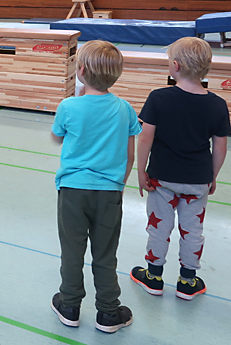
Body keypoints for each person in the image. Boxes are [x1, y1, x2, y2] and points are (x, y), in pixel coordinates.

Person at [50, 40, 141, 334]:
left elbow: (57, 137)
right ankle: (109, 312)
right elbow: (129, 155)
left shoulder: (68, 106)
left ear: (81, 71)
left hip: (73, 191)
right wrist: (119, 184)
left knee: (72, 250)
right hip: (109, 191)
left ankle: (69, 305)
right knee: (105, 254)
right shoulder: (125, 109)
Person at [130, 37, 229, 300]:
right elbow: (220, 146)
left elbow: (145, 137)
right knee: (192, 230)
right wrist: (213, 176)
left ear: (175, 66)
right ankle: (188, 281)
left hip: (162, 179)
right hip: (198, 180)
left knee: (159, 227)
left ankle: (153, 276)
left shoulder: (159, 98)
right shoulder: (217, 104)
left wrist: (141, 171)